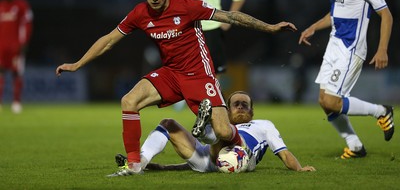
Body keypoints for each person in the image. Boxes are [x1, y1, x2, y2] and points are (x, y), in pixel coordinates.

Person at [55, 0, 297, 176]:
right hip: (171, 73)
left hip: (199, 74)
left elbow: (230, 16)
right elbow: (109, 39)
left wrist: (270, 28)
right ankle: (134, 164)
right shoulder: (140, 13)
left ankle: (235, 142)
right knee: (129, 101)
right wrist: (77, 64)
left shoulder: (187, 6)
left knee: (223, 130)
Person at [298, 0, 394, 159]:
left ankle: (381, 111)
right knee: (325, 102)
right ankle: (355, 145)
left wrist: (382, 49)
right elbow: (335, 14)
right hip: (334, 44)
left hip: (351, 47)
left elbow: (387, 15)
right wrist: (314, 26)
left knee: (333, 101)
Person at [113, 91, 316, 173]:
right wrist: (162, 168)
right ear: (227, 110)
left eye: (245, 105)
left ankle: (204, 131)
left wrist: (299, 169)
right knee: (168, 123)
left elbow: (284, 153)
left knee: (224, 131)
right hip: (209, 157)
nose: (241, 107)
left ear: (253, 111)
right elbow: (190, 165)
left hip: (243, 155)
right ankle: (140, 162)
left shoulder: (264, 125)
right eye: (236, 104)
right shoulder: (225, 122)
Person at [0, 0, 33, 114]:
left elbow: (27, 24)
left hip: (16, 46)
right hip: (1, 47)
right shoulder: (1, 6)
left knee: (16, 73)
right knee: (0, 72)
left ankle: (16, 102)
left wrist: (24, 43)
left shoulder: (22, 5)